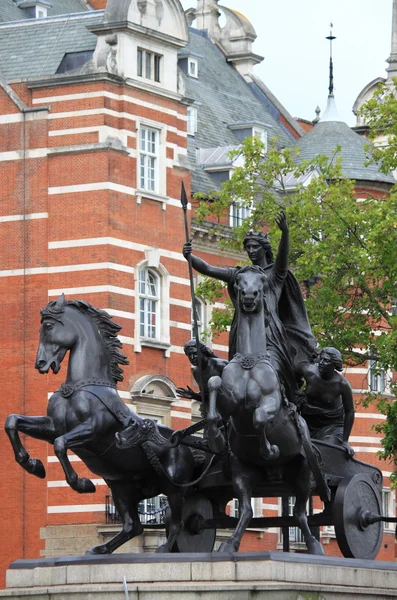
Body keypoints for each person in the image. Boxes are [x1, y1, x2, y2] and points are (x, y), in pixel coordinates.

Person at [183, 212, 317, 401]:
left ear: (264, 248)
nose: (251, 250)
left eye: (255, 246)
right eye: (248, 248)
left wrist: (285, 233)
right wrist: (189, 256)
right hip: (243, 334)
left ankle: (288, 403)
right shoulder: (240, 274)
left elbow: (283, 257)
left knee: (276, 371)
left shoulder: (274, 275)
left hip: (270, 336)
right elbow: (209, 269)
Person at [296, 347, 355, 456]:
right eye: (321, 359)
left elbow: (350, 411)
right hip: (307, 422)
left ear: (335, 365)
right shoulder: (309, 371)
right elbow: (292, 370)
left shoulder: (342, 384)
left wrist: (345, 441)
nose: (322, 363)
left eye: (327, 361)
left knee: (325, 450)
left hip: (331, 426)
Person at [176, 340, 228, 418]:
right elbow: (207, 396)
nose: (192, 358)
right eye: (189, 355)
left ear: (203, 352)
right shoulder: (196, 371)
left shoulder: (220, 365)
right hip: (213, 410)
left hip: (229, 409)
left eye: (195, 354)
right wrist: (194, 395)